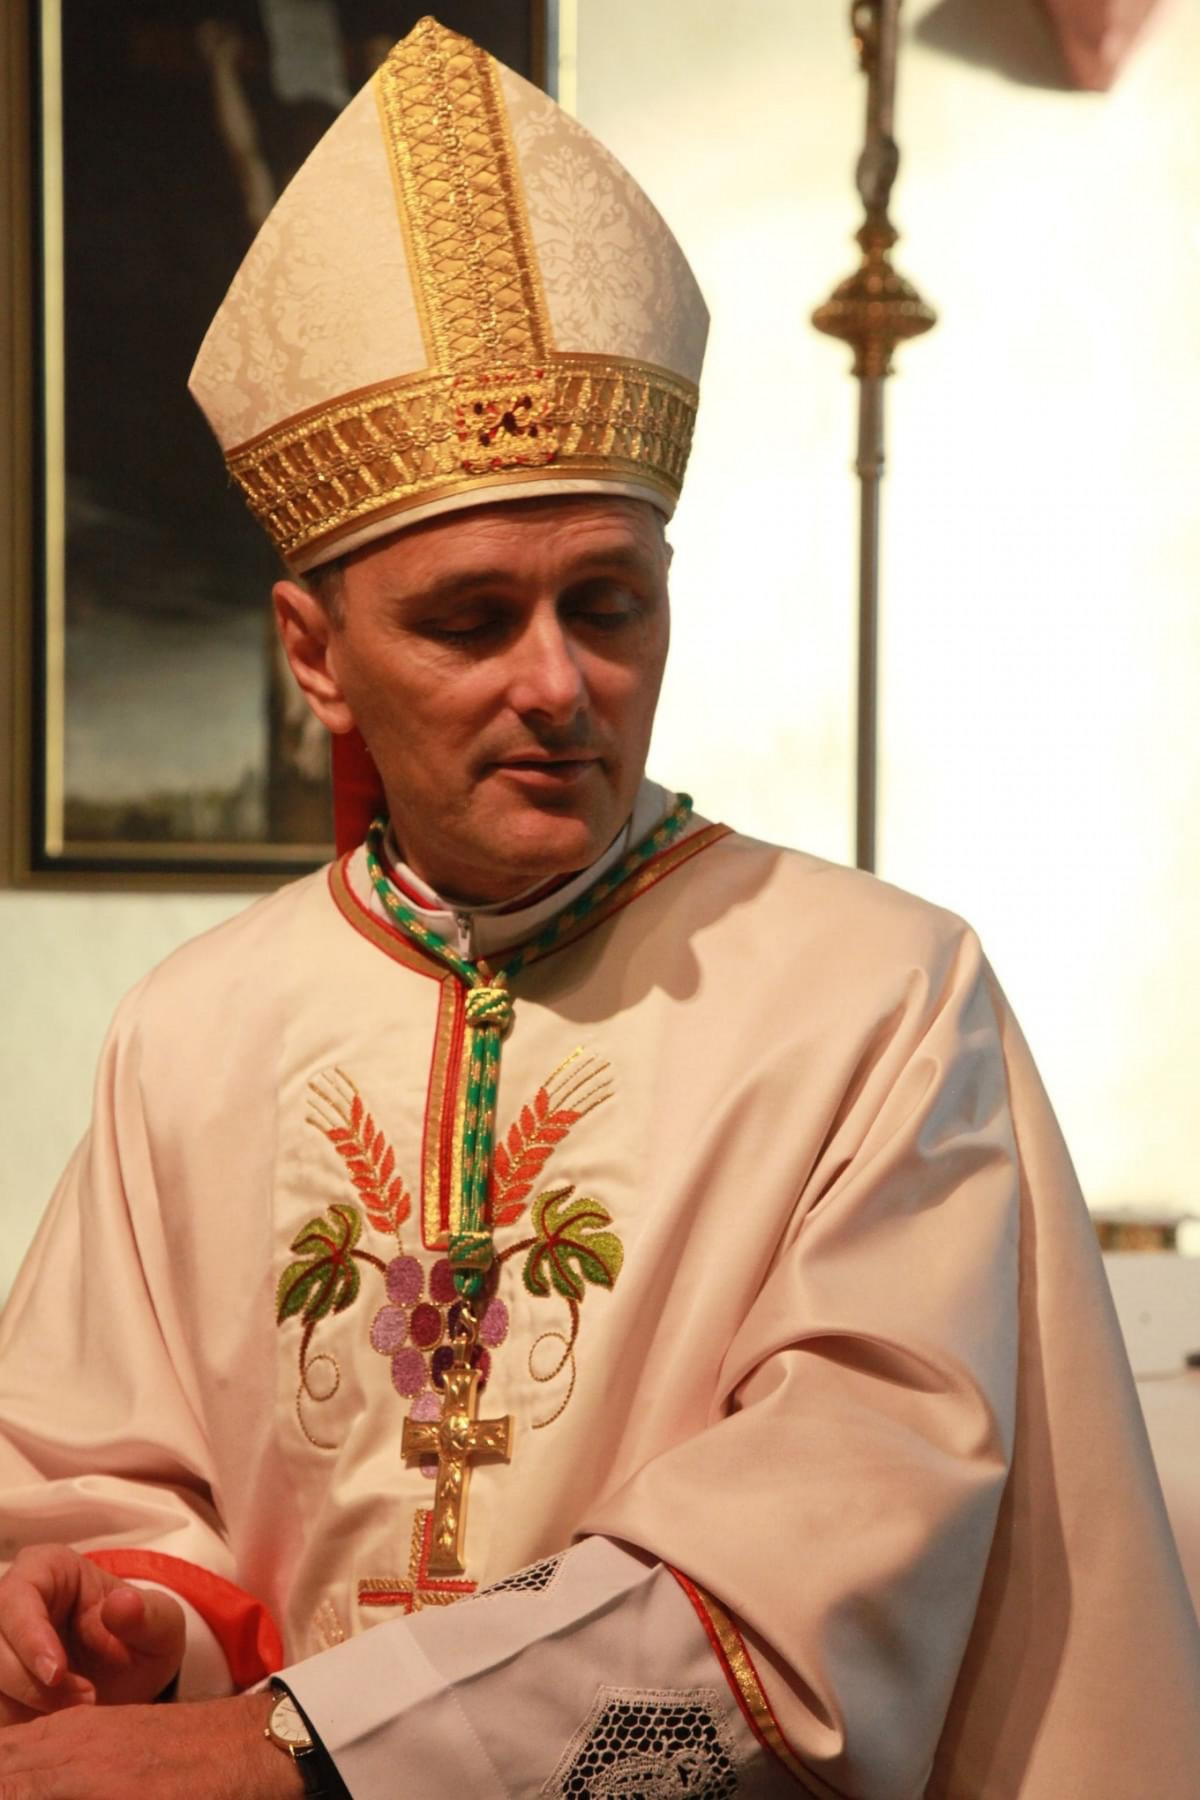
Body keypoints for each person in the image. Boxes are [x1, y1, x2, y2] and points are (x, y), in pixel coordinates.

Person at [0, 16, 1197, 1798]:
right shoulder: (196, 1030)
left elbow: (819, 1588)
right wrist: (127, 1622)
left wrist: (296, 1754)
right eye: (472, 619)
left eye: (609, 604)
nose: (560, 682)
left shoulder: (881, 1002)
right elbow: (116, 1481)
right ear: (316, 654)